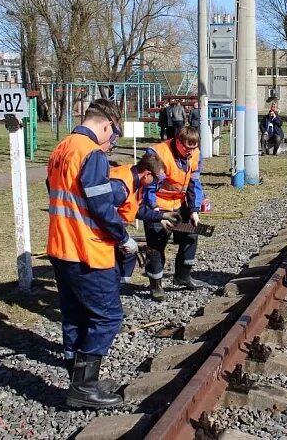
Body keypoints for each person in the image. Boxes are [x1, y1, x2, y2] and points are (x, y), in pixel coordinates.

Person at [46, 98, 137, 408]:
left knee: (74, 315)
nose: (112, 144)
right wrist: (123, 236)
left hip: (60, 247)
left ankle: (78, 378)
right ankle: (84, 387)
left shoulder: (61, 149)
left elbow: (59, 195)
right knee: (108, 316)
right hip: (87, 250)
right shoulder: (91, 153)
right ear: (106, 124)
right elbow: (100, 206)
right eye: (114, 136)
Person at [141, 126, 206, 301]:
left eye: (193, 148)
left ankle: (183, 276)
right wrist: (157, 214)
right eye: (186, 148)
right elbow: (149, 187)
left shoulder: (195, 155)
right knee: (156, 244)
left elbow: (194, 184)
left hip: (179, 205)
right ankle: (156, 285)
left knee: (192, 234)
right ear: (177, 142)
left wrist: (194, 210)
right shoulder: (159, 154)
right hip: (157, 206)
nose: (190, 152)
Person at [109, 152, 166, 284]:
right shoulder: (120, 187)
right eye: (156, 180)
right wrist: (124, 240)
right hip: (100, 233)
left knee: (128, 257)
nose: (156, 184)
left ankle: (116, 291)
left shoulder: (137, 182)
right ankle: (110, 292)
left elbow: (136, 209)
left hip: (114, 230)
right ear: (147, 174)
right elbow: (106, 218)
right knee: (118, 260)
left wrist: (162, 216)